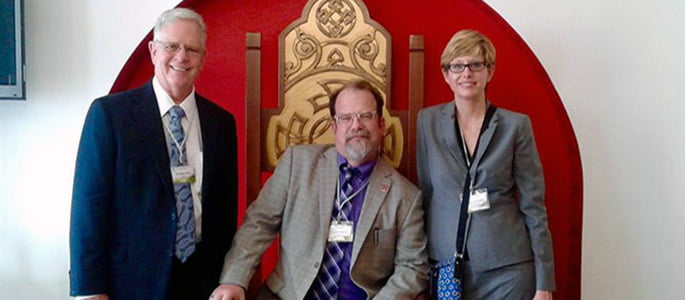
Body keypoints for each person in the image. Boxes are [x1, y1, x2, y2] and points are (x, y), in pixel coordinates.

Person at [69, 8, 238, 300]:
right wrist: (88, 289)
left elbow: (224, 212)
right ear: (153, 50)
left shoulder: (221, 123)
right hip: (132, 281)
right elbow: (88, 207)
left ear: (203, 57)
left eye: (192, 49)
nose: (181, 57)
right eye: (171, 46)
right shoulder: (110, 116)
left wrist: (230, 277)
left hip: (202, 279)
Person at [210, 80, 428, 300]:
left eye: (365, 116)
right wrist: (234, 280)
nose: (356, 125)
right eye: (345, 118)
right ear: (334, 127)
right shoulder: (298, 163)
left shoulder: (405, 196)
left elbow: (412, 268)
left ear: (381, 125)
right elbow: (259, 223)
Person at [416, 29, 555, 300]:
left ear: (489, 71)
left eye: (476, 65)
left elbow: (534, 207)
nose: (466, 73)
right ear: (446, 74)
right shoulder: (427, 122)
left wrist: (544, 283)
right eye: (457, 66)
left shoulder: (515, 126)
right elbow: (426, 196)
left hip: (507, 271)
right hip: (446, 266)